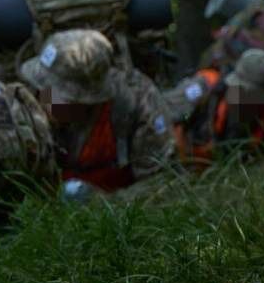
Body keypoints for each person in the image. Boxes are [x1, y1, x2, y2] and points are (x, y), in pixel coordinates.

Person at [19, 28, 174, 198]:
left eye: (57, 94)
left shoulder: (136, 101)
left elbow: (160, 181)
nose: (46, 100)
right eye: (44, 89)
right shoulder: (27, 100)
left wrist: (108, 202)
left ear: (87, 96)